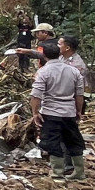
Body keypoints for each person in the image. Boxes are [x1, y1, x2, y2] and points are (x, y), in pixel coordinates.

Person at [31, 43, 86, 181]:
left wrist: (35, 113)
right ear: (59, 54)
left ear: (44, 55)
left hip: (51, 113)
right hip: (69, 112)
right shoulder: (74, 71)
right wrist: (78, 111)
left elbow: (36, 95)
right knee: (73, 140)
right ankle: (79, 172)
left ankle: (58, 174)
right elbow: (79, 94)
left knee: (53, 141)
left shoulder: (43, 72)